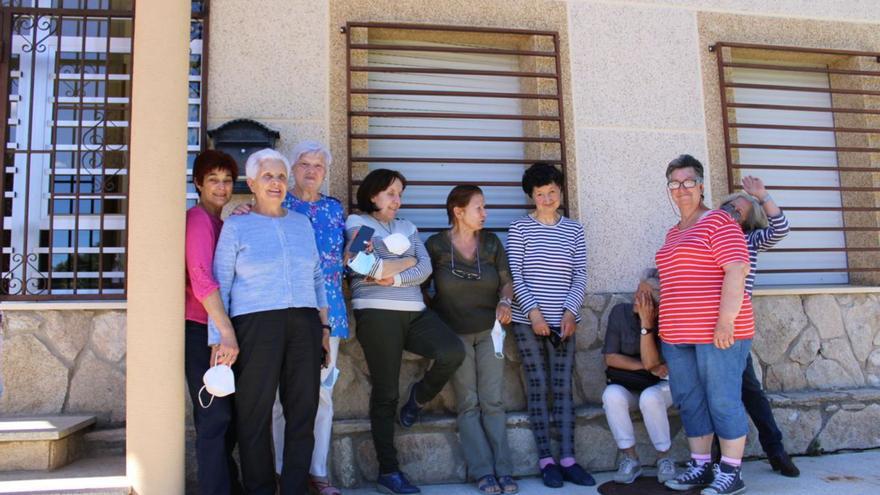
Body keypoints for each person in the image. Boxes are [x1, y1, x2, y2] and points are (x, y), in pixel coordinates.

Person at [209, 148, 330, 495]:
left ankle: (295, 488)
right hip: (254, 325)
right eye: (267, 176)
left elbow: (318, 277)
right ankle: (260, 489)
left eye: (280, 176)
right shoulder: (237, 226)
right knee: (254, 414)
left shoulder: (300, 223)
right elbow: (221, 283)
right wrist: (219, 337)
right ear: (252, 183)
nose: (276, 183)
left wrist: (323, 328)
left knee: (302, 412)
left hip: (305, 324)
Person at [346, 168, 465, 495]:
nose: (397, 200)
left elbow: (424, 268)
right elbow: (359, 265)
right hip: (377, 314)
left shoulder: (407, 226)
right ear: (373, 195)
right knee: (385, 394)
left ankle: (419, 397)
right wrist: (402, 262)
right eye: (390, 193)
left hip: (415, 313)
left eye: (400, 194)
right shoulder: (359, 224)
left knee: (452, 351)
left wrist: (392, 275)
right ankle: (389, 470)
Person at [656, 154, 753, 495]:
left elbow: (736, 271)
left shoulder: (718, 223)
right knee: (690, 400)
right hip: (677, 334)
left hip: (718, 334)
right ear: (668, 189)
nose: (680, 189)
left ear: (699, 186)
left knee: (722, 400)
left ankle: (731, 471)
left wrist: (726, 322)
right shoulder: (673, 232)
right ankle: (701, 466)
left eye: (687, 182)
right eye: (674, 183)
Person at [263, 141, 348, 495]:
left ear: (325, 172)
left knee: (323, 395)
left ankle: (317, 471)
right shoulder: (278, 204)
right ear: (292, 169)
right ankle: (285, 471)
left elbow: (349, 254)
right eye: (304, 165)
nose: (311, 171)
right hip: (287, 309)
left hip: (331, 312)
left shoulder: (335, 209)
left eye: (318, 166)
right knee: (283, 397)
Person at [425, 186, 518, 495]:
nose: (485, 213)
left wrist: (505, 303)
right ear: (458, 211)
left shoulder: (491, 243)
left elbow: (507, 282)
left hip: (490, 332)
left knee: (492, 400)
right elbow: (421, 286)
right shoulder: (436, 246)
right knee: (468, 403)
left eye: (485, 207)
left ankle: (504, 470)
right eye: (479, 207)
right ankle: (483, 472)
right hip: (454, 334)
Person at [507, 163, 594, 489]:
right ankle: (546, 460)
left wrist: (570, 312)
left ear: (560, 192)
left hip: (565, 323)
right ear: (531, 196)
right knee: (539, 385)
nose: (547, 198)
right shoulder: (519, 228)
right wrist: (535, 314)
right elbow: (517, 275)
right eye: (540, 194)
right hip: (527, 321)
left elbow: (579, 275)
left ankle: (569, 459)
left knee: (562, 388)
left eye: (552, 192)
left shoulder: (574, 230)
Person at [720, 175, 798, 477]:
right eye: (728, 206)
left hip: (736, 330)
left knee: (747, 392)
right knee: (722, 394)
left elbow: (781, 229)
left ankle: (774, 451)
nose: (730, 212)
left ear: (746, 223)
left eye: (737, 212)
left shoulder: (749, 240)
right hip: (705, 327)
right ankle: (720, 460)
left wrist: (763, 196)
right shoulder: (708, 236)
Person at [184, 149, 242, 495]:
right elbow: (202, 278)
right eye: (213, 180)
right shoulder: (197, 221)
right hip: (202, 330)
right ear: (197, 183)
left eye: (227, 181)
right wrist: (225, 332)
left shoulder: (221, 222)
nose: (221, 188)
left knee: (226, 418)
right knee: (214, 417)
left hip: (219, 330)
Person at [601, 273, 675, 485]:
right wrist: (647, 367)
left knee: (650, 398)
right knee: (611, 395)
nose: (636, 297)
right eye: (637, 291)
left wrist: (646, 323)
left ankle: (664, 457)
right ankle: (630, 459)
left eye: (644, 295)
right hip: (631, 384)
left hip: (662, 387)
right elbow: (611, 358)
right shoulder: (619, 313)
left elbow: (656, 363)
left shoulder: (668, 319)